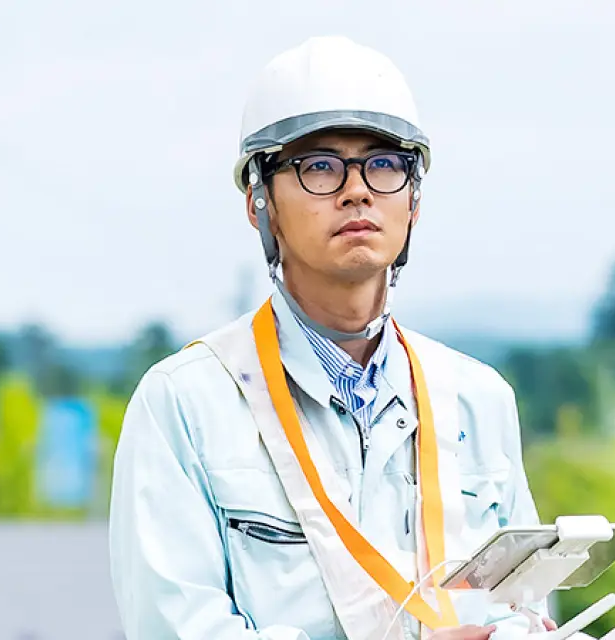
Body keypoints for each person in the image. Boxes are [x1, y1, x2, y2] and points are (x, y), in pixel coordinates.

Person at [108, 36, 554, 640]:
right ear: (258, 202)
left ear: (414, 201)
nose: (357, 189)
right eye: (318, 165)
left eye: (384, 163)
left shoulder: (478, 398)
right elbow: (174, 627)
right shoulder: (186, 402)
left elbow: (523, 604)